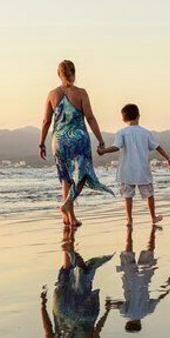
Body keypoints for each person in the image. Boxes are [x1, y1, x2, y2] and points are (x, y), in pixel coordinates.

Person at [40, 228, 114, 338]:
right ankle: (68, 234)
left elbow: (97, 332)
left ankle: (72, 245)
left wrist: (108, 311)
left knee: (82, 278)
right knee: (66, 273)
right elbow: (47, 328)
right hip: (63, 308)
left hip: (81, 312)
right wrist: (42, 305)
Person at [39, 60, 113, 228]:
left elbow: (45, 121)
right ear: (74, 73)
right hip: (78, 140)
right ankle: (66, 205)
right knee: (83, 174)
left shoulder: (52, 94)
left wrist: (41, 143)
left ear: (59, 74)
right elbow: (90, 118)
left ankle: (70, 218)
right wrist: (101, 140)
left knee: (66, 178)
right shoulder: (81, 93)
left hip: (58, 141)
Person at [97, 103, 170, 225]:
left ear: (123, 119)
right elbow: (158, 147)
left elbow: (116, 147)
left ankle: (129, 220)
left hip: (127, 170)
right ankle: (153, 217)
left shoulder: (121, 132)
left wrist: (103, 151)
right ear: (138, 116)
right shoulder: (146, 132)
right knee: (149, 194)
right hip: (142, 170)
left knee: (128, 196)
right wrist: (168, 158)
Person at [106, 225, 170, 333]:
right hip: (130, 280)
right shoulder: (126, 314)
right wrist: (110, 305)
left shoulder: (147, 312)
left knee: (149, 251)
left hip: (144, 279)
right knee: (128, 250)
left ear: (139, 324)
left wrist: (168, 288)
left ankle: (152, 231)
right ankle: (129, 229)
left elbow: (158, 299)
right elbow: (119, 305)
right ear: (128, 323)